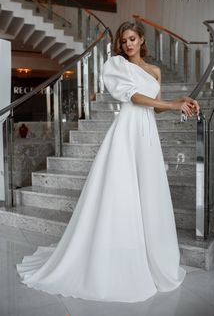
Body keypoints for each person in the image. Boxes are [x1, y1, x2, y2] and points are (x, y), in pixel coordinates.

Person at [17, 21, 199, 303]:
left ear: (141, 40)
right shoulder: (115, 64)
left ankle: (151, 256)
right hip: (126, 132)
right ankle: (118, 257)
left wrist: (179, 103)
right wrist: (174, 103)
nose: (128, 44)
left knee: (147, 192)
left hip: (147, 134)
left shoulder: (155, 71)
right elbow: (135, 98)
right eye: (124, 40)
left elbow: (156, 107)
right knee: (122, 193)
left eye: (132, 39)